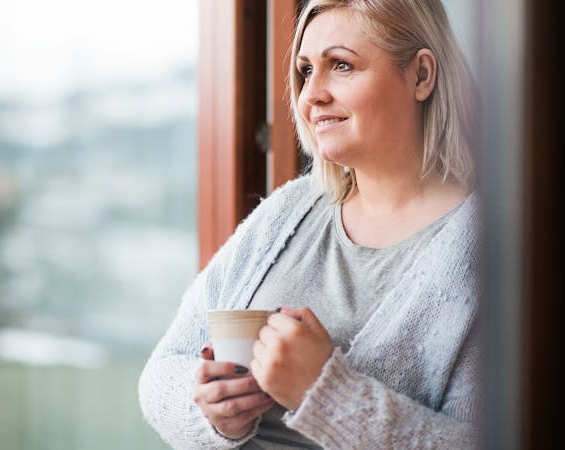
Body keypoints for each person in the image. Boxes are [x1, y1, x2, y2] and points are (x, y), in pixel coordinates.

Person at [138, 0, 480, 448]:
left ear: (420, 76)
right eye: (304, 71)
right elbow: (162, 372)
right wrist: (213, 410)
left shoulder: (486, 250)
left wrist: (325, 393)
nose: (311, 95)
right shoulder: (287, 214)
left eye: (341, 65)